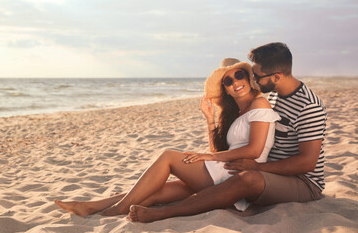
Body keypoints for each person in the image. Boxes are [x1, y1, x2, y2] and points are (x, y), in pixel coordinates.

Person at [54, 58, 280, 217]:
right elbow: (217, 148)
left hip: (234, 175)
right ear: (226, 89)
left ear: (248, 78)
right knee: (157, 191)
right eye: (228, 81)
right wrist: (210, 119)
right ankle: (92, 207)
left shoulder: (259, 103)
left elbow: (255, 150)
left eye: (238, 75)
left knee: (169, 156)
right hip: (223, 170)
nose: (234, 83)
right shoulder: (237, 112)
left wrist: (208, 157)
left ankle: (117, 209)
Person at [128, 42, 327, 223]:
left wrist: (260, 168)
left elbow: (307, 163)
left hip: (303, 182)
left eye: (257, 76)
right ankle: (119, 202)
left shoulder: (309, 106)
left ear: (277, 76)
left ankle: (163, 213)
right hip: (267, 169)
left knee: (246, 179)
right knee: (188, 181)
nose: (254, 80)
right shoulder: (272, 96)